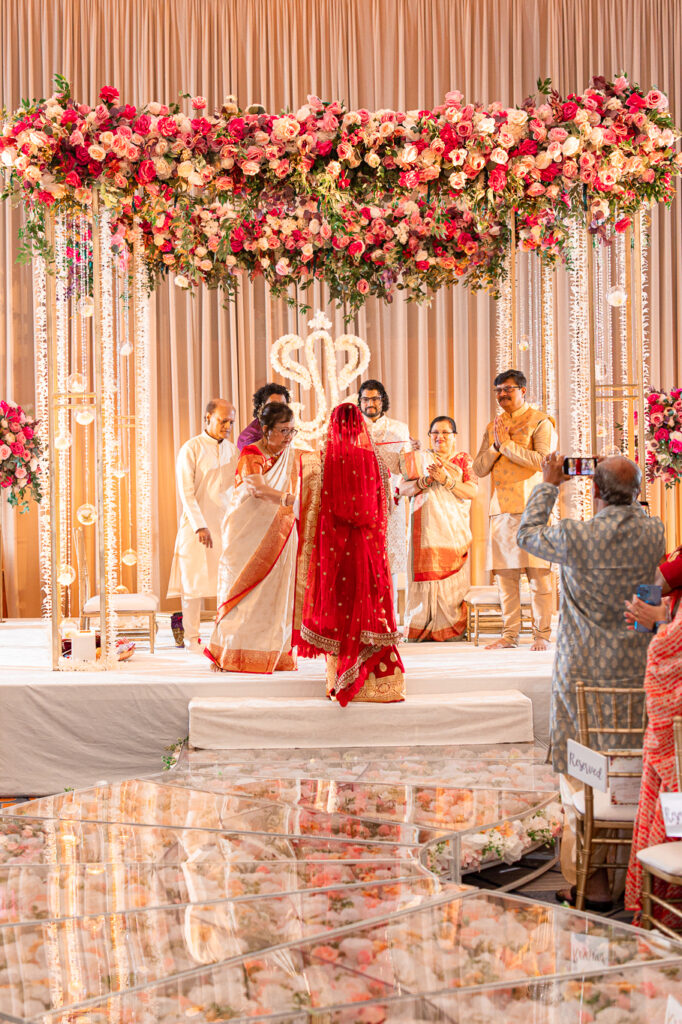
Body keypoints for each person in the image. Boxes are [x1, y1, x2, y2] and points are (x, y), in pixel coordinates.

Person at [517, 452, 666, 906]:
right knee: (630, 768)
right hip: (635, 670)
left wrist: (548, 483)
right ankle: (634, 876)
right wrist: (620, 489)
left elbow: (526, 534)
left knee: (582, 772)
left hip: (581, 673)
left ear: (594, 491)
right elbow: (649, 586)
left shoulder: (574, 535)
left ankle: (592, 882)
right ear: (638, 494)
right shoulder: (653, 532)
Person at [293, 402, 405, 704]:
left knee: (341, 609)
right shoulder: (376, 460)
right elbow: (385, 510)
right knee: (371, 607)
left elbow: (309, 510)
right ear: (361, 426)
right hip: (368, 548)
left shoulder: (320, 460)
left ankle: (339, 678)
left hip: (335, 552)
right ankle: (380, 685)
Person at [205, 403, 300, 672]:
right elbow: (257, 489)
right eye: (283, 431)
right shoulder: (251, 453)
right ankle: (232, 653)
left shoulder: (290, 454)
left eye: (293, 431)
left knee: (273, 594)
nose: (289, 437)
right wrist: (292, 500)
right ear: (266, 430)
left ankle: (271, 653)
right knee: (243, 592)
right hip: (245, 534)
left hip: (279, 532)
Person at [473, 369, 555, 651]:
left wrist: (507, 445)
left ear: (523, 391)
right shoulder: (492, 426)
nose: (502, 394)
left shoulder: (540, 421)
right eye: (498, 390)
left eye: (508, 389)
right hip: (501, 511)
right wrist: (496, 446)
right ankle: (509, 636)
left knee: (538, 575)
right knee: (506, 578)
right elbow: (479, 468)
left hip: (532, 508)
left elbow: (543, 461)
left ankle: (542, 634)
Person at [624, 597, 682, 927]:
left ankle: (664, 911)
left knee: (673, 796)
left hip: (673, 748)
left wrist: (663, 621)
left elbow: (663, 655)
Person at [398, 416, 478, 641]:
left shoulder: (462, 459)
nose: (439, 437)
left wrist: (446, 480)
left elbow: (472, 492)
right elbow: (403, 489)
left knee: (449, 580)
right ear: (429, 436)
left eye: (445, 433)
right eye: (435, 432)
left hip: (452, 531)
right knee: (425, 577)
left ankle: (450, 629)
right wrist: (424, 482)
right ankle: (420, 626)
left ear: (454, 436)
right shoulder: (420, 459)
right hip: (424, 530)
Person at [167, 399, 237, 653]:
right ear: (207, 418)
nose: (228, 426)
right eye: (223, 420)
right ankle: (191, 639)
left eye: (231, 421)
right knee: (193, 584)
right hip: (196, 528)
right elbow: (186, 492)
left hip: (225, 527)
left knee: (225, 584)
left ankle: (221, 637)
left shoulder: (233, 450)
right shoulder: (191, 449)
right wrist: (200, 526)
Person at [358, 379, 411, 594]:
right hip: (359, 504)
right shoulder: (352, 430)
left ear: (383, 401)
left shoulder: (399, 429)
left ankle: (389, 619)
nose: (370, 403)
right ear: (359, 402)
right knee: (361, 561)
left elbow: (406, 468)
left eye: (375, 399)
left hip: (390, 502)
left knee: (387, 562)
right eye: (365, 399)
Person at [237, 383, 291, 451]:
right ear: (261, 408)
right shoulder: (250, 438)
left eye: (283, 406)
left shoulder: (284, 429)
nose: (279, 410)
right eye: (273, 406)